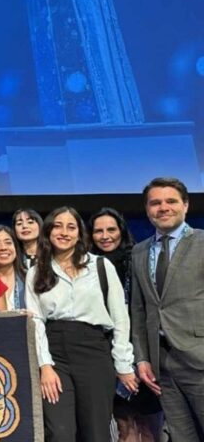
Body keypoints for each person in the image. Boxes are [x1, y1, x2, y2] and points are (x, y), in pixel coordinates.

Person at [26, 206, 138, 442]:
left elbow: (120, 318)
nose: (64, 232)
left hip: (94, 352)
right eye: (57, 226)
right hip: (55, 353)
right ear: (47, 231)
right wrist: (45, 366)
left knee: (97, 433)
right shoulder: (36, 272)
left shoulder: (100, 266)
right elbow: (35, 321)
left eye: (71, 226)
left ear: (80, 233)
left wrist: (123, 364)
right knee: (60, 432)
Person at [131, 177, 204, 440]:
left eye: (171, 201)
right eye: (155, 203)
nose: (163, 207)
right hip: (162, 365)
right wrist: (142, 358)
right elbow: (139, 310)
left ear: (185, 205)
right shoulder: (139, 252)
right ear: (148, 209)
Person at [89, 207, 163, 442]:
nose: (105, 236)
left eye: (111, 229)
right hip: (106, 353)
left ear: (122, 230)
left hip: (144, 352)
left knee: (150, 427)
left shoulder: (139, 260)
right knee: (125, 427)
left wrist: (141, 356)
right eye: (98, 231)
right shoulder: (86, 266)